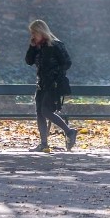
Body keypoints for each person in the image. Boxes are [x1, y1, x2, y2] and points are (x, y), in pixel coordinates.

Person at [25, 19, 78, 152]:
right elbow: (28, 61)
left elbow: (67, 62)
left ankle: (69, 131)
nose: (32, 35)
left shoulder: (55, 45)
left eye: (34, 32)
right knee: (39, 113)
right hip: (41, 83)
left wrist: (56, 74)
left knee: (45, 110)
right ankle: (44, 144)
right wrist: (32, 46)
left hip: (54, 84)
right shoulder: (38, 47)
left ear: (41, 31)